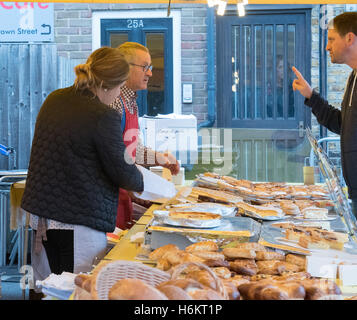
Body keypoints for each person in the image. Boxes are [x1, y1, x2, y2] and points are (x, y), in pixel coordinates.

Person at [21, 47, 144, 278]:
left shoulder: (54, 99)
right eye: (119, 88)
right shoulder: (101, 115)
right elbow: (123, 172)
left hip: (41, 216)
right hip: (77, 219)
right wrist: (143, 179)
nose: (118, 95)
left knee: (48, 286)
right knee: (76, 288)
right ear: (107, 85)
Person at [292, 11, 357, 217]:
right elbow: (343, 125)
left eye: (331, 39)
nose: (327, 47)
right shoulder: (353, 77)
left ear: (349, 38)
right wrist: (311, 96)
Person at [110, 42, 180, 230]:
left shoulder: (131, 102)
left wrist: (160, 158)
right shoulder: (114, 102)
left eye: (150, 67)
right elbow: (115, 156)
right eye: (145, 67)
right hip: (111, 196)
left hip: (125, 191)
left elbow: (133, 150)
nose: (150, 73)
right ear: (125, 67)